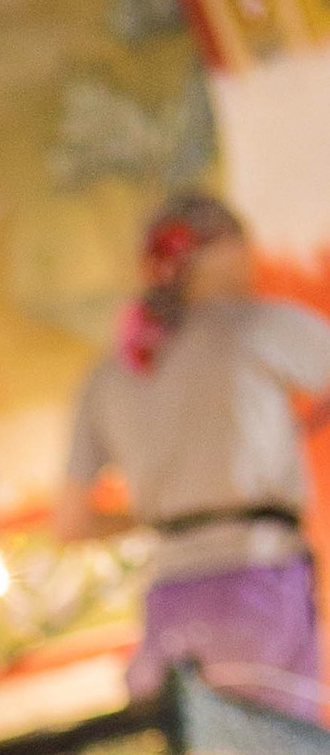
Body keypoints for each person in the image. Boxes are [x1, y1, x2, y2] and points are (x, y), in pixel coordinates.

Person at [55, 190, 330, 721]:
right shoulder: (253, 327)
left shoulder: (110, 374)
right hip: (260, 580)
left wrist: (172, 512)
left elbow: (70, 523)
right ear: (217, 250)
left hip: (169, 602)